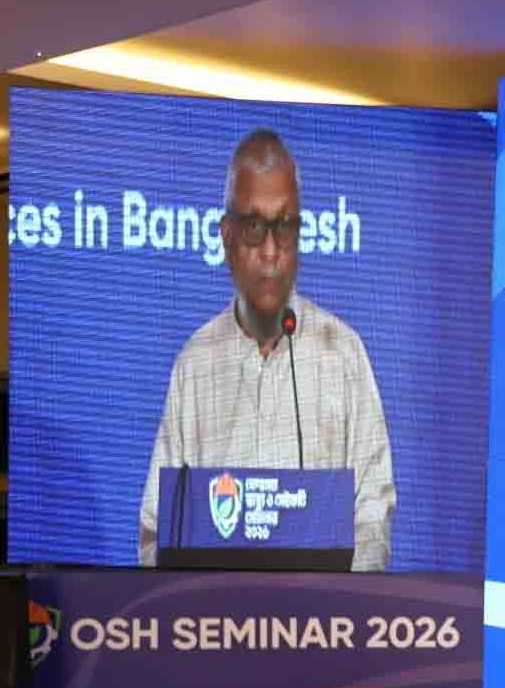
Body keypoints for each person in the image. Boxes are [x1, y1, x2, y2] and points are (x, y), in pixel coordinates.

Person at [138, 129, 395, 570]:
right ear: (227, 236)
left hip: (321, 612)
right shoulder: (195, 363)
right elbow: (155, 531)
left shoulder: (343, 354)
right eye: (255, 228)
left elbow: (373, 517)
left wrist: (334, 600)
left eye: (285, 226)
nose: (271, 251)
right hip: (217, 611)